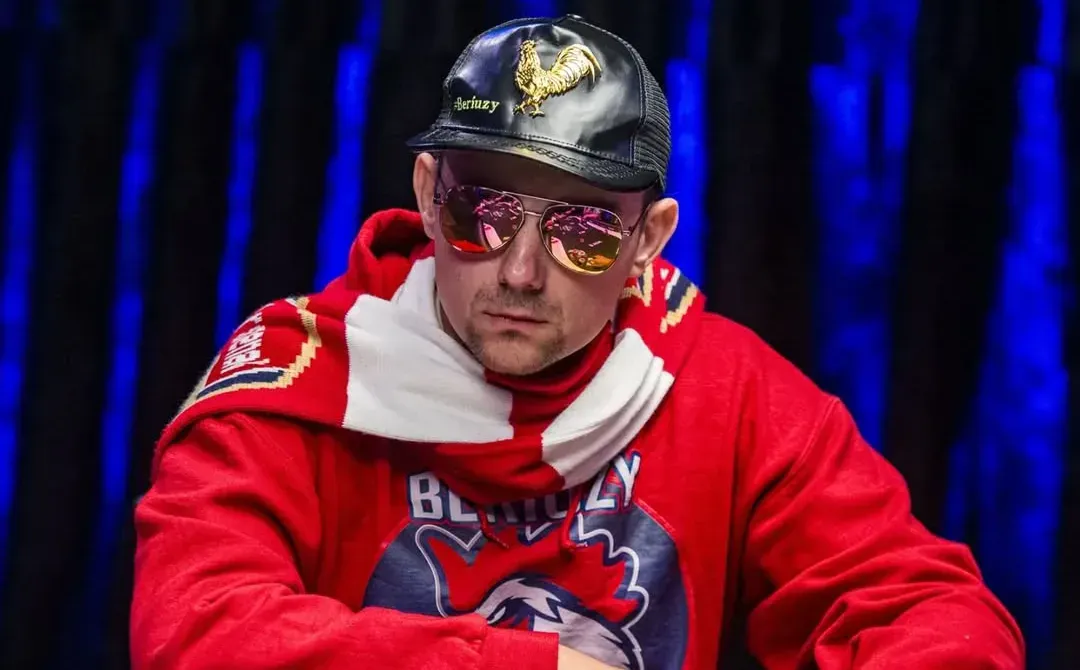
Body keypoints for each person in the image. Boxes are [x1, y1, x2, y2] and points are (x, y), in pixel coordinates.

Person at [130, 14, 1024, 670]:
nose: (521, 272)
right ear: (429, 195)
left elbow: (931, 612)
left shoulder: (725, 389)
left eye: (584, 232)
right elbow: (192, 633)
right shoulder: (302, 374)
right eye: (483, 213)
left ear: (647, 240)